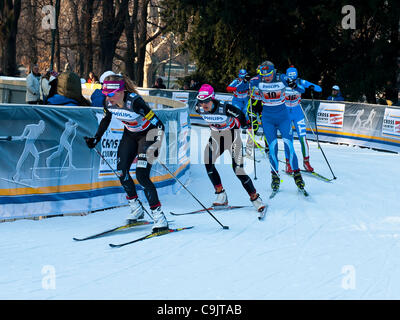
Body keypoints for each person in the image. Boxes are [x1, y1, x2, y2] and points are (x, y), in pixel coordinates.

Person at [84, 74, 168, 232]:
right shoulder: (107, 102)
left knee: (141, 175)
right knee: (121, 171)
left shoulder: (135, 102)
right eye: (105, 94)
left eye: (111, 94)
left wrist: (155, 146)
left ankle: (159, 217)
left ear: (121, 91)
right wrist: (96, 138)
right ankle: (136, 209)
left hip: (147, 135)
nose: (108, 98)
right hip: (130, 135)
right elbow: (106, 119)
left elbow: (159, 125)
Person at [195, 84, 266, 213]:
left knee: (238, 170)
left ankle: (255, 198)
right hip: (216, 137)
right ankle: (221, 195)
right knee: (208, 162)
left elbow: (241, 117)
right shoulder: (198, 108)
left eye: (206, 101)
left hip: (232, 137)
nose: (203, 104)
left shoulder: (224, 108)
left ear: (213, 99)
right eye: (201, 101)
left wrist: (246, 123)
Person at [249, 60, 306, 193]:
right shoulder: (258, 80)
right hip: (268, 119)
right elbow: (241, 88)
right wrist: (247, 81)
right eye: (263, 75)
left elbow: (302, 90)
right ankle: (275, 176)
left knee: (289, 144)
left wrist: (294, 85)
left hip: (283, 117)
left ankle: (297, 174)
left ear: (273, 72)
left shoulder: (282, 78)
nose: (266, 78)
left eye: (268, 74)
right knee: (272, 147)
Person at [283, 66, 322, 173]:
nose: (292, 81)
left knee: (303, 138)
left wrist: (312, 87)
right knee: (288, 139)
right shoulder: (282, 82)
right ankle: (288, 164)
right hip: (285, 114)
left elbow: (319, 88)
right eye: (290, 79)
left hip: (297, 113)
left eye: (294, 78)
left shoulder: (300, 81)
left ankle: (306, 162)